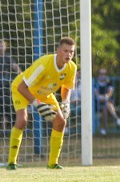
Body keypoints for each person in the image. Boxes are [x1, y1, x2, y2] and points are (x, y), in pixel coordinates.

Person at [6, 37, 77, 170]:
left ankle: (52, 163)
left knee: (61, 122)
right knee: (22, 120)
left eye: (71, 52)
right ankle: (11, 162)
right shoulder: (44, 64)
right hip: (21, 89)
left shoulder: (72, 67)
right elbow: (22, 87)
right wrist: (37, 104)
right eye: (65, 51)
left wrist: (66, 102)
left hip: (44, 93)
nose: (68, 54)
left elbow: (66, 87)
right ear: (58, 51)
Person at [94, 67, 120, 136]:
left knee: (105, 108)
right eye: (100, 74)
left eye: (104, 74)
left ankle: (103, 129)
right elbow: (96, 95)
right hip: (96, 105)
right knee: (106, 105)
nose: (102, 75)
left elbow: (110, 93)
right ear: (98, 75)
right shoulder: (95, 83)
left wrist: (104, 97)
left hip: (107, 103)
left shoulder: (109, 83)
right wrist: (102, 97)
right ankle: (117, 119)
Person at [0, 39, 21, 130]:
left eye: (2, 45)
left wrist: (22, 75)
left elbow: (15, 67)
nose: (1, 46)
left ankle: (4, 130)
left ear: (5, 46)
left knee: (6, 106)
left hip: (5, 86)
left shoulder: (8, 57)